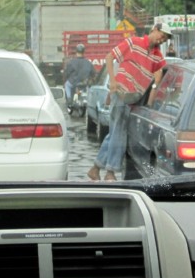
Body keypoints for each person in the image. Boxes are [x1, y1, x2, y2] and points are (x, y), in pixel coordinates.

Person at [87, 23, 171, 182]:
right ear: (154, 29)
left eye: (165, 39)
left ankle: (96, 168)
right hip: (121, 93)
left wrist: (155, 91)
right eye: (162, 35)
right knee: (119, 132)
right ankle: (111, 172)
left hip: (135, 99)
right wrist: (112, 81)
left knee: (115, 133)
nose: (162, 40)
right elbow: (110, 57)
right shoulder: (133, 43)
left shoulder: (157, 56)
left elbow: (160, 78)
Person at [64, 43, 95, 108]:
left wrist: (66, 78)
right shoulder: (88, 62)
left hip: (73, 82)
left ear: (76, 51)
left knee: (66, 84)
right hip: (84, 83)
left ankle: (69, 99)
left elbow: (67, 73)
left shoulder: (71, 62)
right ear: (84, 52)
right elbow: (93, 73)